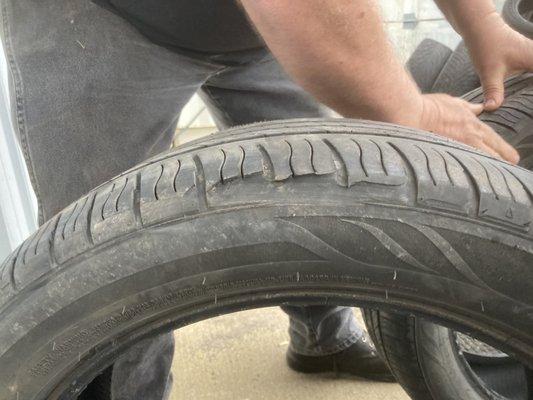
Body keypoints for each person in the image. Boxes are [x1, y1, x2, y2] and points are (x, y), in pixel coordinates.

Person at [1, 0, 526, 398]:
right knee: (106, 246)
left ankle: (323, 339)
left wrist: (482, 26)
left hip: (256, 27)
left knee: (321, 178)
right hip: (102, 18)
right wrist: (412, 112)